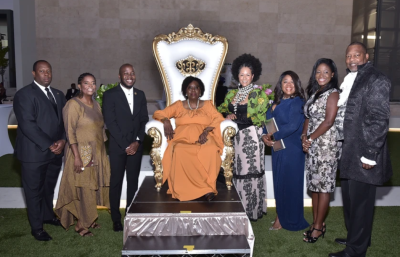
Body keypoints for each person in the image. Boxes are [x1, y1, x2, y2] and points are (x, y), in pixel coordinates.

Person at [329, 42, 392, 257]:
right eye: (348, 56)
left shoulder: (376, 79)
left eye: (356, 55)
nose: (352, 59)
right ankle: (357, 236)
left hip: (364, 154)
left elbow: (378, 120)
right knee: (351, 201)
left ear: (366, 56)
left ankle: (356, 250)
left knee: (361, 203)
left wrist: (371, 155)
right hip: (350, 152)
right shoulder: (351, 79)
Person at [13, 60, 66, 241]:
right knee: (34, 191)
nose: (46, 74)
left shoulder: (58, 94)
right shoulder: (24, 94)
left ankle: (47, 215)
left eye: (49, 71)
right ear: (34, 73)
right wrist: (50, 144)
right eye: (42, 71)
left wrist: (63, 141)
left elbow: (64, 122)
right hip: (33, 154)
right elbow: (28, 125)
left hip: (55, 153)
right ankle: (37, 228)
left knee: (48, 188)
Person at [55, 73, 110, 237]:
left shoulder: (96, 104)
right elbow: (69, 132)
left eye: (93, 83)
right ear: (79, 86)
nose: (91, 86)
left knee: (92, 187)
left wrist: (101, 151)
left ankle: (89, 218)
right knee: (83, 188)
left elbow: (100, 129)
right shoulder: (73, 105)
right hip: (81, 152)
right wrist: (77, 156)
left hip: (96, 151)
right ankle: (81, 225)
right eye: (86, 83)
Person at [153, 76, 225, 201]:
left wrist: (207, 130)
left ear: (200, 91)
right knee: (180, 150)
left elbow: (218, 118)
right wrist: (165, 121)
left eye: (196, 88)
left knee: (211, 149)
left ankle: (207, 188)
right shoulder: (178, 105)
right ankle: (199, 190)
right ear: (185, 91)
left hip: (204, 137)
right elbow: (158, 113)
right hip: (182, 138)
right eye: (190, 88)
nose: (193, 90)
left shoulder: (207, 105)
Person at [218, 54, 268, 221]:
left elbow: (257, 118)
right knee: (238, 171)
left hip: (252, 137)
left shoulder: (258, 94)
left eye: (248, 74)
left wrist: (235, 118)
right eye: (241, 75)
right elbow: (223, 108)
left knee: (250, 172)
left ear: (253, 76)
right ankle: (239, 209)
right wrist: (228, 114)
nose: (245, 78)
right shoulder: (233, 94)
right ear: (237, 76)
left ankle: (251, 211)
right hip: (237, 138)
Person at [103, 64, 149, 232]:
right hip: (117, 147)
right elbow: (111, 123)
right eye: (126, 73)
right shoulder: (110, 95)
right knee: (115, 182)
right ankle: (116, 219)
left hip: (136, 146)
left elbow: (144, 119)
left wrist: (137, 142)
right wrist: (125, 145)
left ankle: (130, 214)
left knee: (133, 182)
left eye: (132, 73)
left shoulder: (141, 94)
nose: (129, 76)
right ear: (119, 76)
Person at [262, 71, 309, 231]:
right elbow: (268, 121)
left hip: (292, 150)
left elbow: (292, 126)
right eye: (285, 82)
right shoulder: (275, 102)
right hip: (277, 148)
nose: (289, 85)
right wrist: (264, 136)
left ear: (297, 85)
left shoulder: (299, 102)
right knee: (279, 183)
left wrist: (270, 135)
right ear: (280, 85)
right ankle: (280, 216)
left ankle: (287, 219)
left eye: (292, 82)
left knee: (291, 185)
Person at [302, 58, 341, 243]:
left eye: (326, 72)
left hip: (326, 146)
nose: (321, 75)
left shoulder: (333, 93)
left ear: (332, 74)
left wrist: (310, 138)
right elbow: (308, 117)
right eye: (318, 72)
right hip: (312, 145)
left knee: (323, 187)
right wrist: (304, 136)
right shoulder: (314, 92)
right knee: (314, 186)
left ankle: (318, 226)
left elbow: (328, 121)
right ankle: (316, 223)